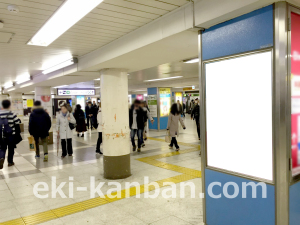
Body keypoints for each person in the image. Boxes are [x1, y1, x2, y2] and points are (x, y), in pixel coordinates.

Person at [0, 100, 21, 169]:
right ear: (9, 105)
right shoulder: (12, 113)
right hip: (11, 134)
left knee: (3, 148)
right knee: (11, 148)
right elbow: (17, 122)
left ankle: (1, 158)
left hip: (2, 134)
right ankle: (10, 162)